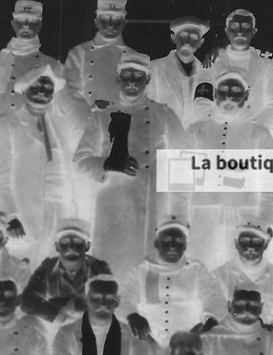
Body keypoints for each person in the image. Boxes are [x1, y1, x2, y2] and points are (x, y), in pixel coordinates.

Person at [73, 51, 189, 278]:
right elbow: (81, 160)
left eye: (138, 76)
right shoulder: (102, 116)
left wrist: (179, 215)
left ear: (147, 79)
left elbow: (182, 168)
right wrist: (111, 163)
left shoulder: (164, 115)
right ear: (118, 79)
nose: (132, 82)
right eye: (126, 75)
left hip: (155, 207)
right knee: (112, 274)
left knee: (150, 276)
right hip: (114, 209)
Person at [0, 64, 85, 261]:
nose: (42, 93)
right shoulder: (6, 125)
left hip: (63, 209)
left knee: (60, 271)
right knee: (26, 271)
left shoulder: (59, 125)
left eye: (47, 89)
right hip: (27, 213)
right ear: (24, 90)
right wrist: (10, 215)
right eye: (36, 88)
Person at [185, 71, 273, 268]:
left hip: (245, 217)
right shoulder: (196, 130)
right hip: (202, 217)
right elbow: (180, 177)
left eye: (236, 91)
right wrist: (182, 216)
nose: (229, 96)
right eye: (223, 90)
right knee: (201, 270)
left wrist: (264, 220)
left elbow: (271, 183)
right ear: (215, 94)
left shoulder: (259, 133)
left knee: (238, 275)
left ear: (246, 94)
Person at [121, 219, 224, 355]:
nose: (173, 246)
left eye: (179, 241)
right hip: (149, 342)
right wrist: (132, 315)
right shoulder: (141, 270)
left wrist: (211, 321)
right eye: (167, 240)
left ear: (185, 245)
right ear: (157, 243)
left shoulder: (197, 270)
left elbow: (215, 297)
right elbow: (122, 298)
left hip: (190, 343)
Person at [0, 0, 65, 122]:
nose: (26, 25)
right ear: (13, 24)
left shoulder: (53, 67)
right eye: (21, 19)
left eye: (32, 20)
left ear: (40, 25)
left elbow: (61, 113)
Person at [18, 219, 113, 328]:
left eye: (77, 242)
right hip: (55, 326)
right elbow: (27, 301)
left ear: (87, 246)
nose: (71, 247)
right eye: (64, 242)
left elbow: (112, 301)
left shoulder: (100, 268)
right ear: (57, 247)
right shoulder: (47, 267)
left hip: (91, 328)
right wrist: (58, 315)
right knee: (28, 322)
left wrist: (67, 304)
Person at [208, 220, 273, 335]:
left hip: (266, 340)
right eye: (245, 241)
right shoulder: (217, 276)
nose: (250, 246)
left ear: (266, 244)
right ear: (236, 243)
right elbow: (214, 311)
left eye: (256, 241)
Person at [205, 8, 273, 132]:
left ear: (254, 32)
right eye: (234, 27)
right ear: (226, 31)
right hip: (219, 135)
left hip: (255, 136)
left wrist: (253, 127)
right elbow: (203, 102)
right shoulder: (213, 61)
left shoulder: (268, 65)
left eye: (246, 27)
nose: (240, 32)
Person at [63, 0, 133, 108]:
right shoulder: (79, 53)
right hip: (87, 119)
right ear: (96, 22)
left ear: (124, 23)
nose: (110, 25)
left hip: (121, 120)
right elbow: (70, 91)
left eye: (116, 20)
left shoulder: (133, 56)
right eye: (105, 19)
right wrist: (90, 109)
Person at [148, 16, 215, 126]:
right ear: (173, 38)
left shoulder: (208, 72)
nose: (187, 42)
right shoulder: (154, 68)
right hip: (165, 138)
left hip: (196, 139)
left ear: (201, 42)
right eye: (183, 36)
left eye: (194, 38)